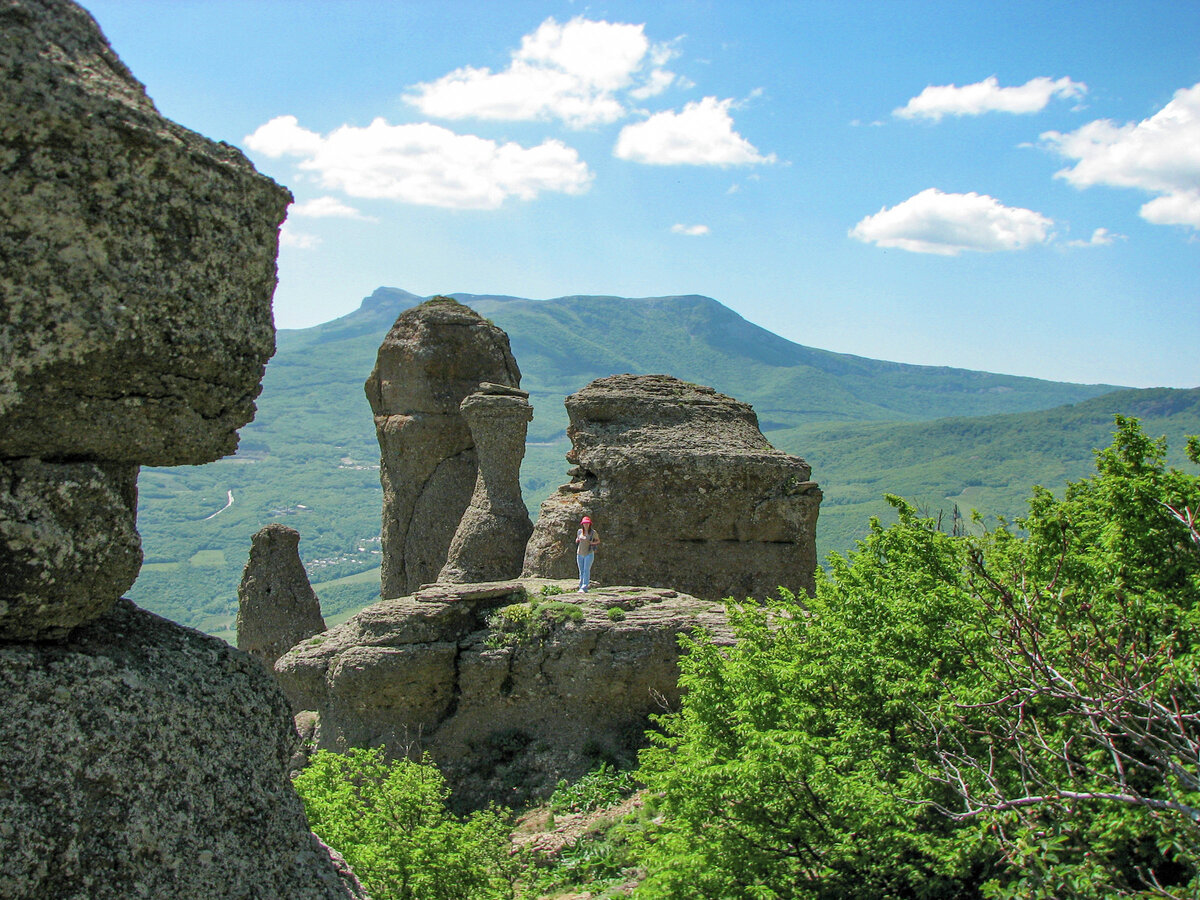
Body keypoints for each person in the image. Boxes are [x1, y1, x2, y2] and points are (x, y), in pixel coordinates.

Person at [575, 515, 600, 593]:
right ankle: (581, 586)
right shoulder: (579, 531)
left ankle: (584, 587)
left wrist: (592, 542)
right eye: (584, 523)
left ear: (590, 524)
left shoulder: (593, 532)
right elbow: (577, 538)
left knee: (586, 570)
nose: (586, 525)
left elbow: (598, 541)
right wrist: (578, 540)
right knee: (581, 571)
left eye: (587, 523)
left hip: (589, 553)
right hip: (580, 553)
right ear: (582, 524)